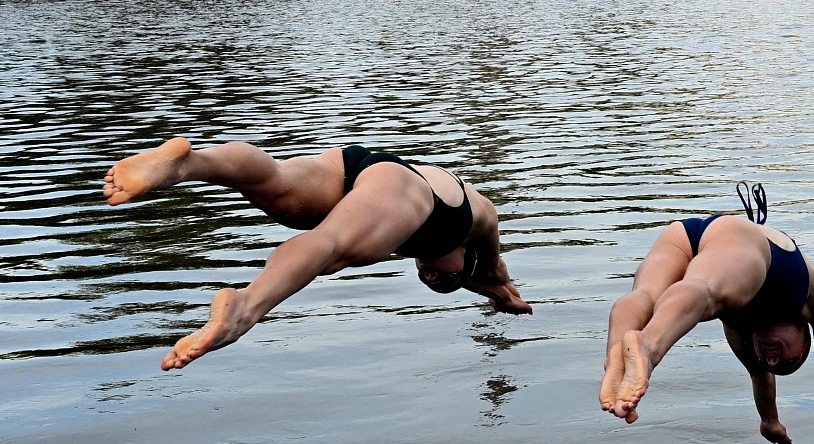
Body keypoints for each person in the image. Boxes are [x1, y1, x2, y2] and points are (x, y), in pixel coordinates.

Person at [101, 138, 527, 371]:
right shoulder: (475, 221)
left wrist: (493, 296)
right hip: (404, 186)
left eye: (427, 280)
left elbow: (484, 281)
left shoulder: (419, 233)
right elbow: (495, 273)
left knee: (275, 188)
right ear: (468, 257)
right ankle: (246, 308)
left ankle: (186, 165)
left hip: (351, 167)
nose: (430, 274)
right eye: (445, 279)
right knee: (335, 247)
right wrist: (503, 295)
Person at [600, 184, 814, 444]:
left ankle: (618, 360)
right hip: (748, 240)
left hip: (684, 235)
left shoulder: (739, 330)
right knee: (704, 291)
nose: (771, 360)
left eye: (768, 361)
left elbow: (760, 376)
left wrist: (769, 421)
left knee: (645, 296)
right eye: (787, 361)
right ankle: (649, 347)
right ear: (804, 335)